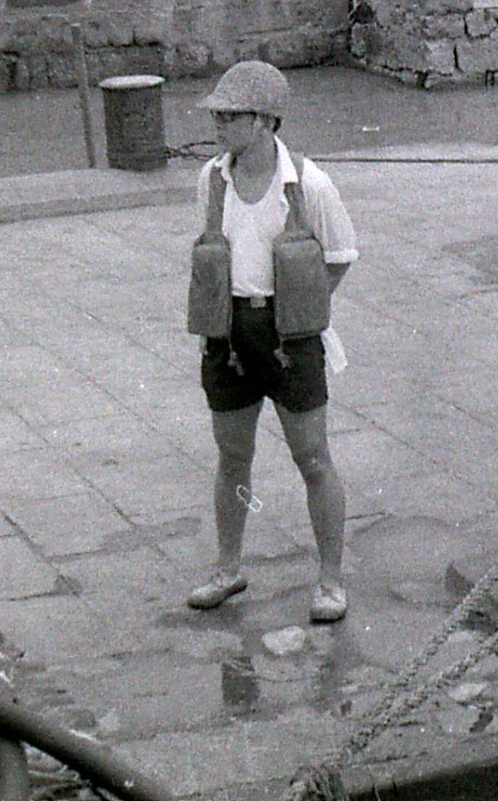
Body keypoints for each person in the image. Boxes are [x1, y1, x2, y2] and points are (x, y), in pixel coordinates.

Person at [187, 61, 358, 622]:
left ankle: (330, 580)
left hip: (289, 336)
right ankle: (228, 567)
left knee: (312, 456)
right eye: (216, 113)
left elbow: (339, 257)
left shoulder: (309, 184)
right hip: (229, 336)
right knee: (232, 456)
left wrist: (301, 308)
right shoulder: (211, 180)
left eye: (229, 114)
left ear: (264, 122)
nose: (218, 122)